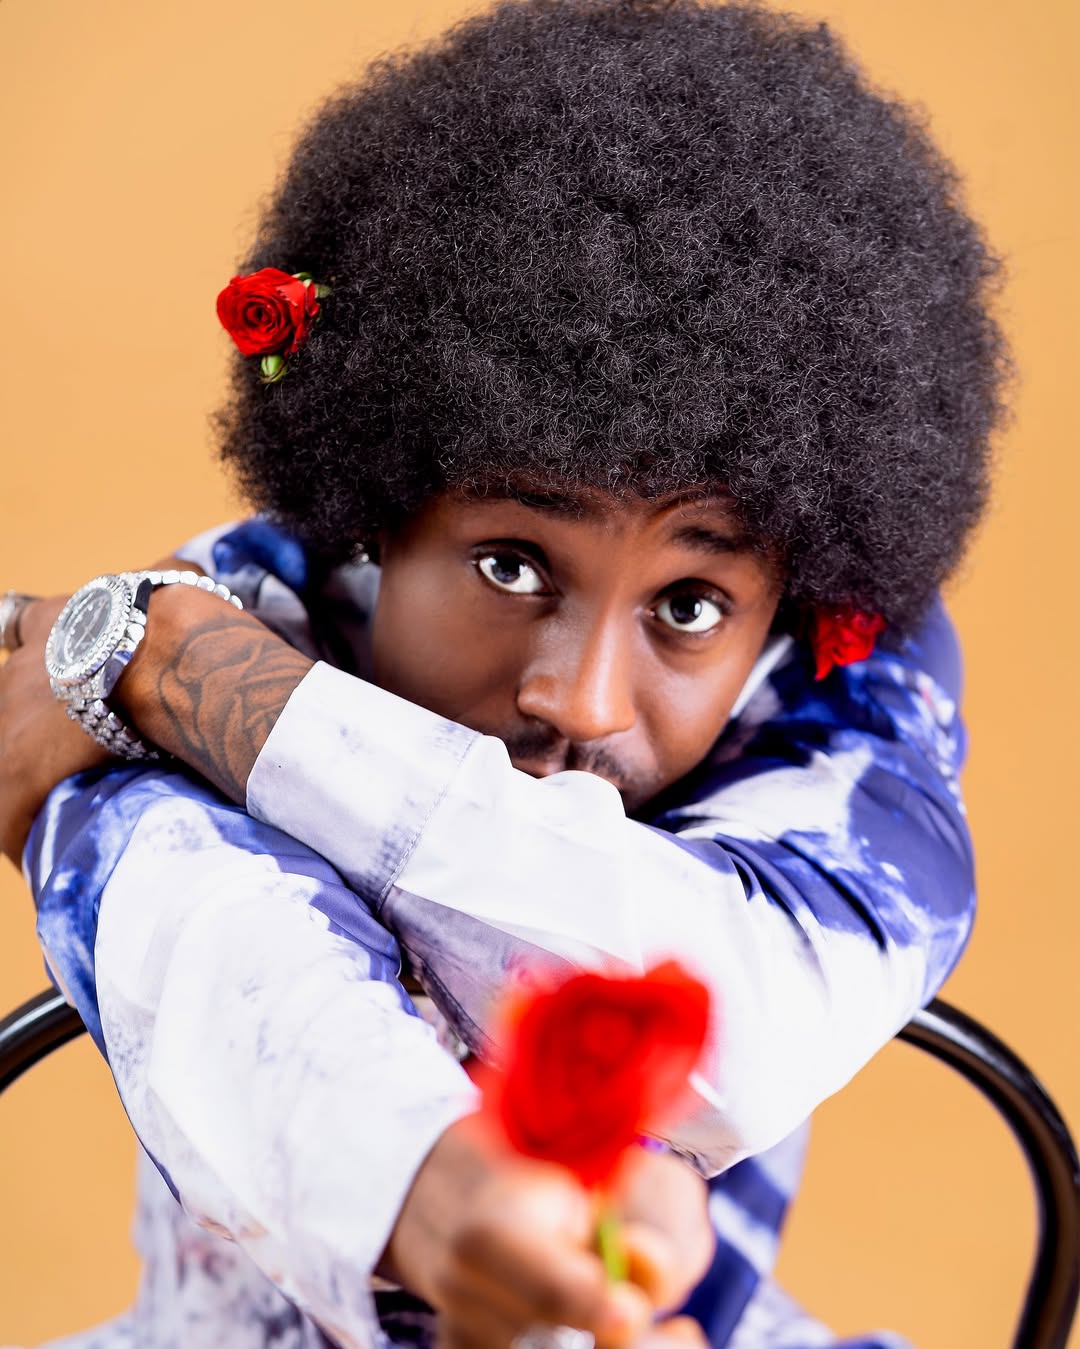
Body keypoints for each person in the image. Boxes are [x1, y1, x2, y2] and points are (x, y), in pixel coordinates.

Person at [0, 0, 1006, 1345]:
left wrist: (194, 680)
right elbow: (194, 908)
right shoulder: (250, 604)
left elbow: (747, 1009)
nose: (581, 701)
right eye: (513, 565)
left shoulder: (167, 653)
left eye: (690, 604)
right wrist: (426, 1184)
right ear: (375, 517)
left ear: (786, 599)